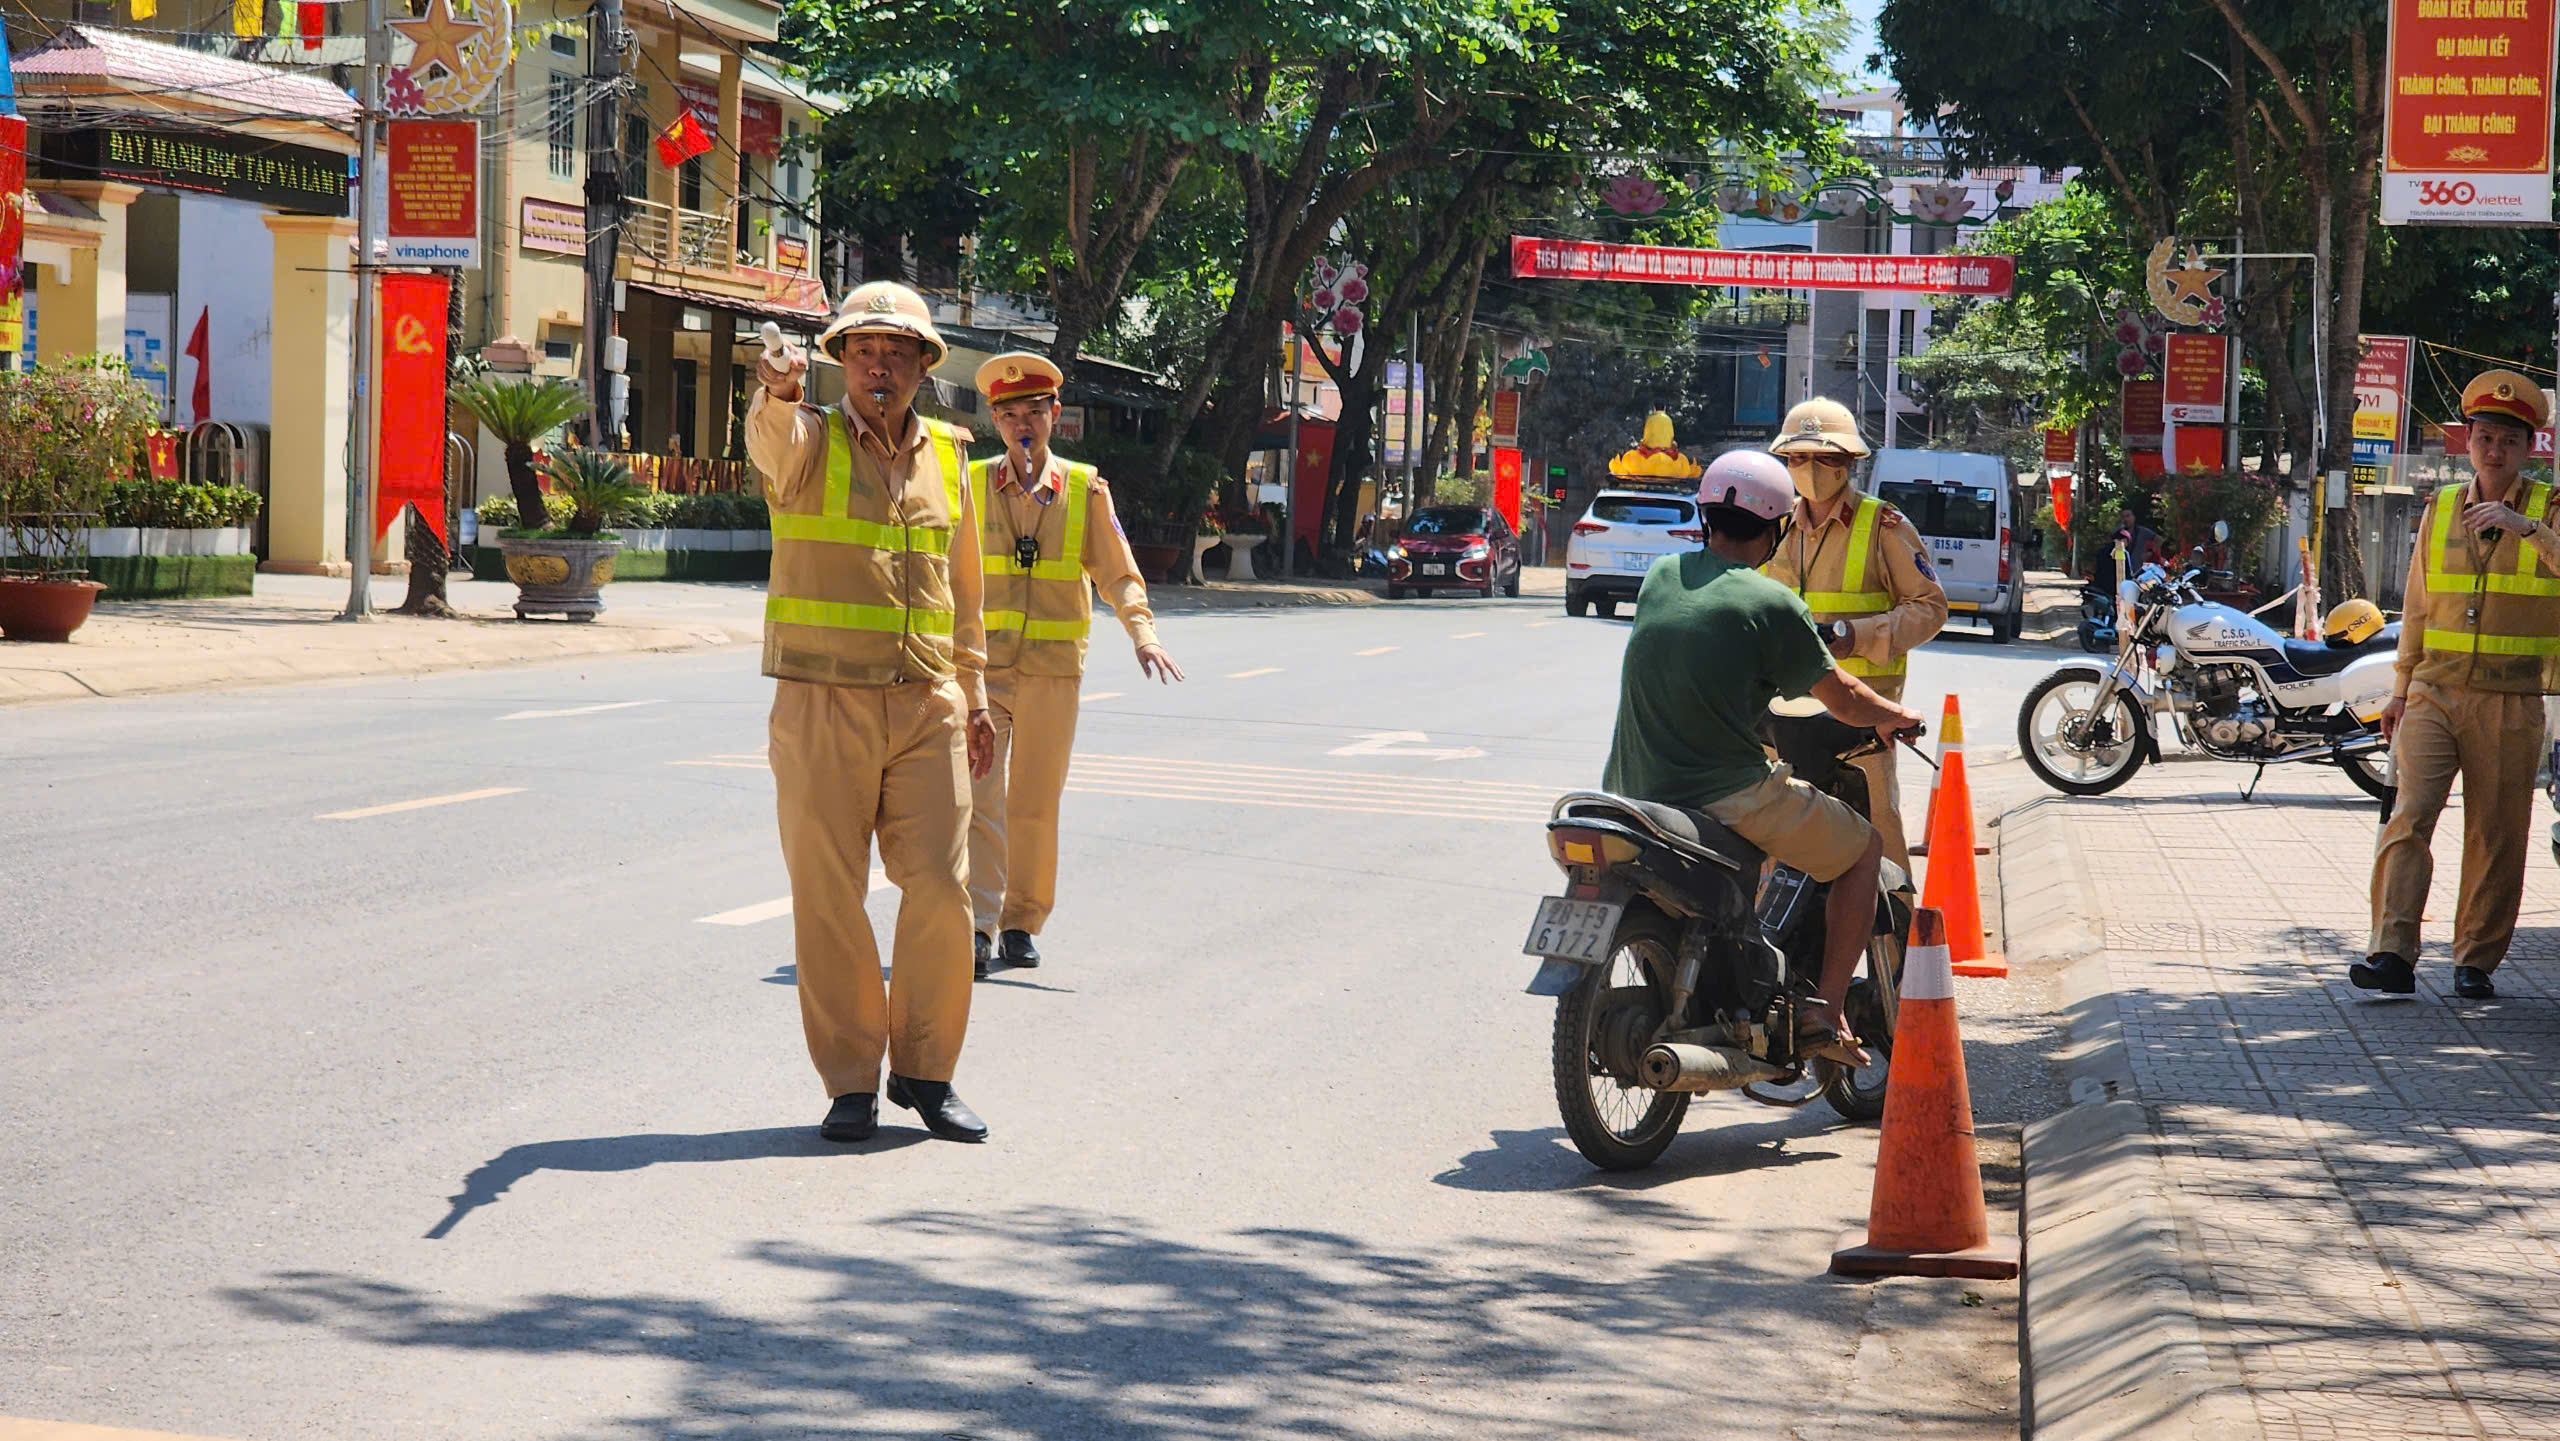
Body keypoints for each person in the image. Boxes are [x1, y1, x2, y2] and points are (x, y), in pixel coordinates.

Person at [746, 280, 999, 1144]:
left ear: (926, 365)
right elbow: (771, 436)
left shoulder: (952, 459)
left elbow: (965, 590)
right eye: (861, 351)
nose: (878, 366)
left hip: (927, 702)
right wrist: (778, 386)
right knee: (828, 894)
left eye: (896, 352)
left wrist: (977, 692)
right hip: (821, 701)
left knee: (940, 888)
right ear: (840, 363)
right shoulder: (804, 439)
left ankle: (927, 1072)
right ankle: (851, 1080)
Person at [1603, 450, 1926, 1062]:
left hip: (1633, 786)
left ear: (1705, 517)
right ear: (1777, 526)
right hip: (1726, 792)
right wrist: (1896, 717)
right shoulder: (1773, 605)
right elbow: (1849, 702)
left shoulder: (1661, 576)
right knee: (1863, 851)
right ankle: (1823, 1014)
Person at [966, 351, 1185, 976]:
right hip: (982, 672)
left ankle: (1020, 922)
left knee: (1034, 803)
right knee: (980, 798)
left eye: (1034, 412)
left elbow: (1117, 571)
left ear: (1056, 415)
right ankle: (977, 925)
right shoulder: (971, 483)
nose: (1022, 425)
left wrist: (1141, 633)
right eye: (1010, 415)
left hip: (1052, 673)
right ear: (995, 421)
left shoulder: (1085, 489)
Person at [2359, 368, 2560, 1001]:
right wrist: (2398, 686)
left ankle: (2475, 958)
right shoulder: (2442, 506)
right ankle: (2391, 953)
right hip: (2432, 694)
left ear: (2528, 449)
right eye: (2483, 437)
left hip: (2510, 699)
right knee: (2408, 817)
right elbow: (2417, 605)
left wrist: (2526, 526)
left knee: (2497, 831)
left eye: (2507, 440)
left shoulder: (2550, 507)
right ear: (2466, 442)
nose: (2493, 450)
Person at [1757, 398, 1948, 869]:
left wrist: (1857, 634)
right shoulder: (1774, 526)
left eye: (1826, 458)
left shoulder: (1884, 525)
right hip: (1779, 713)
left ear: (1849, 464)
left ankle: (1901, 940)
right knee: (1768, 838)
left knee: (1876, 835)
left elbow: (1930, 607)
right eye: (1799, 458)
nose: (1812, 469)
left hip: (1861, 721)